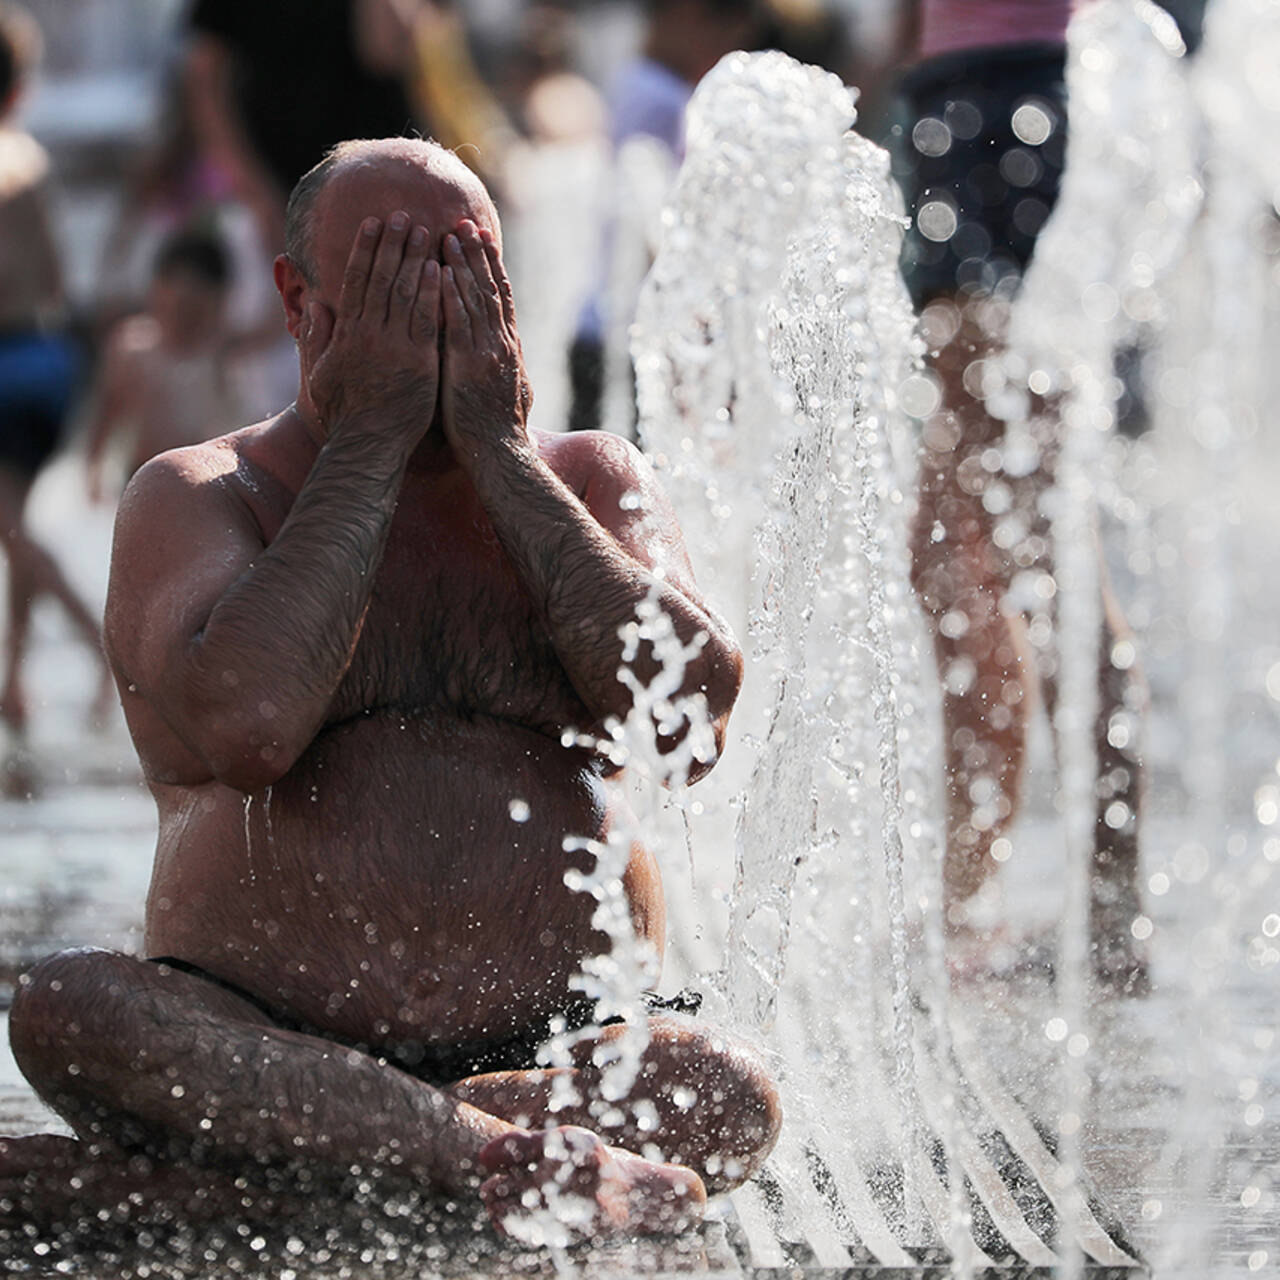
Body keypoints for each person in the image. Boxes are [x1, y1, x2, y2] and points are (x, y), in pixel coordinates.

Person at [2, 137, 780, 1238]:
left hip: (550, 1045)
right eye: (385, 271)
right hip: (257, 1032)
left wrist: (503, 455)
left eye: (461, 268)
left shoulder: (588, 478)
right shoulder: (201, 492)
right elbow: (251, 725)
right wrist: (364, 439)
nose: (428, 305)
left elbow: (684, 722)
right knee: (70, 1009)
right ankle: (498, 1163)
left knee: (722, 1090)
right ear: (296, 298)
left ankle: (263, 1188)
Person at [885, 0, 1147, 986]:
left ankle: (1111, 917)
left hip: (998, 100)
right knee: (956, 551)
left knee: (1032, 542)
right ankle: (973, 905)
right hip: (979, 97)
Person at [0, 3, 114, 769]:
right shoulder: (29, 154)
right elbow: (56, 279)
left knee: (10, 527)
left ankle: (101, 648)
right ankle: (13, 685)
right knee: (16, 521)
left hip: (7, 359)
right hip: (49, 357)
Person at [184, 0, 421, 251]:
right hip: (276, 183)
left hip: (381, 185)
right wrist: (252, 190)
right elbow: (205, 77)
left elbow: (386, 51)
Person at [85, 226, 283, 500]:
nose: (182, 318)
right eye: (174, 305)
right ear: (155, 292)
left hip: (206, 483)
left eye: (194, 310)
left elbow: (274, 324)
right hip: (140, 475)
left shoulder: (225, 354)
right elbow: (108, 408)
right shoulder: (132, 347)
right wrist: (93, 466)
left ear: (219, 303)